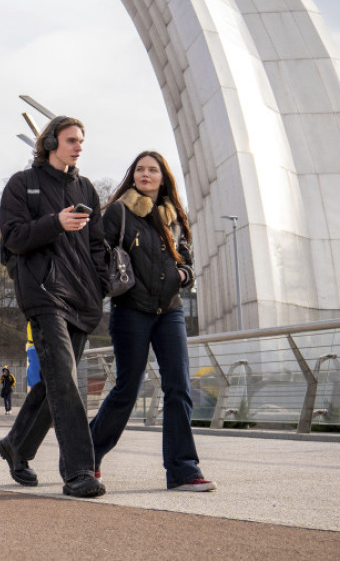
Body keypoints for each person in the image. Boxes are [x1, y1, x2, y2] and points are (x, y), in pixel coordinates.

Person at [0, 115, 109, 498]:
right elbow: (13, 238)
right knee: (65, 379)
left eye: (82, 141)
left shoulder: (87, 189)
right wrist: (55, 223)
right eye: (72, 140)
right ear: (49, 144)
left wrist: (101, 285)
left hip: (82, 298)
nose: (79, 147)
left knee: (55, 382)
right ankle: (78, 471)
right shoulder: (21, 185)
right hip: (44, 295)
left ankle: (17, 445)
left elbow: (98, 246)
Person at [90, 151, 216, 492]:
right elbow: (98, 253)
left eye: (153, 170)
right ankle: (88, 454)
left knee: (179, 388)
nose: (146, 174)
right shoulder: (119, 212)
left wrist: (182, 274)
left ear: (163, 178)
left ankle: (183, 470)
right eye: (140, 169)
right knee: (128, 388)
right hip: (131, 309)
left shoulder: (174, 218)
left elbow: (189, 261)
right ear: (133, 176)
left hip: (170, 311)